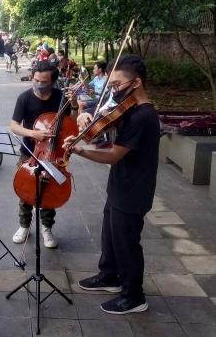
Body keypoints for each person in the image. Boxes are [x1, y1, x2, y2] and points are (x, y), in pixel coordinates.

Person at [62, 54, 160, 314]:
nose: (113, 90)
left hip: (133, 189)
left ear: (136, 83)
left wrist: (80, 151)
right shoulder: (129, 109)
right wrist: (84, 117)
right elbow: (102, 125)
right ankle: (109, 276)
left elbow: (113, 154)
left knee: (126, 241)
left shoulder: (143, 117)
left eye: (117, 86)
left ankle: (134, 296)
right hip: (120, 184)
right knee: (110, 233)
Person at [10, 61, 78, 247]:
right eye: (36, 79)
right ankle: (24, 225)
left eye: (44, 81)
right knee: (26, 189)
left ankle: (47, 227)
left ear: (53, 81)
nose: (39, 84)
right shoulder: (24, 98)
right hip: (30, 152)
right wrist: (33, 134)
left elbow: (72, 124)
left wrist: (73, 105)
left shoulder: (59, 97)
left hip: (55, 152)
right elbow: (14, 125)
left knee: (50, 189)